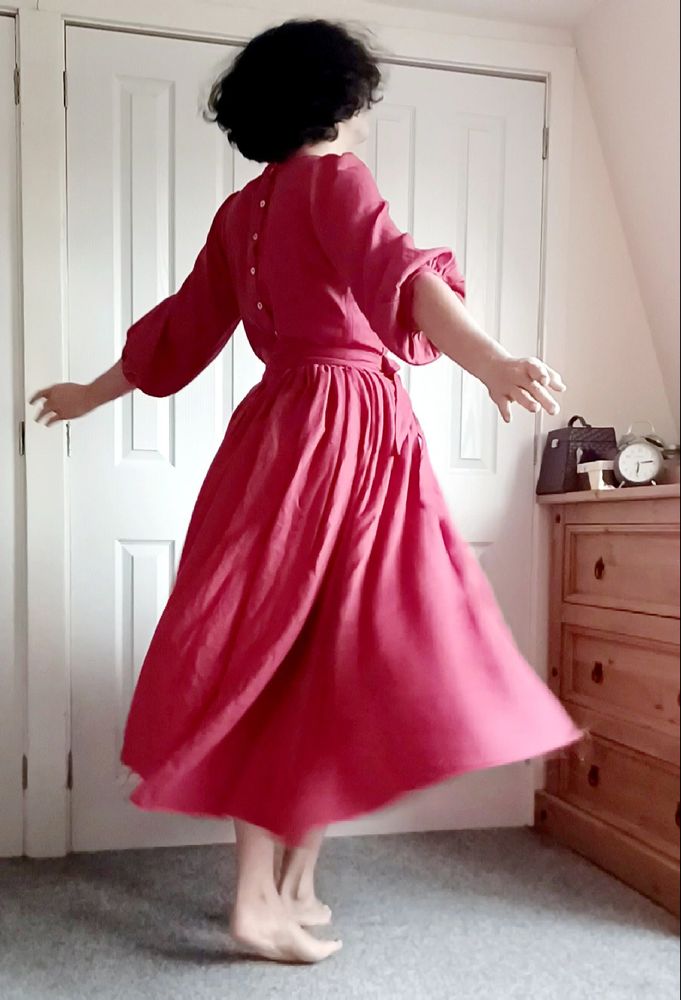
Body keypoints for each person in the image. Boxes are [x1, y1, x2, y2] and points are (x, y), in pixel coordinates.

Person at [31, 19, 581, 964]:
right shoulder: (334, 180)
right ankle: (256, 899)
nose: (368, 110)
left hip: (281, 428)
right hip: (345, 430)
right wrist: (489, 359)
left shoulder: (244, 209)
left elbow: (182, 329)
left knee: (318, 650)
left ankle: (292, 884)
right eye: (361, 92)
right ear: (337, 97)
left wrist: (93, 390)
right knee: (308, 654)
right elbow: (400, 278)